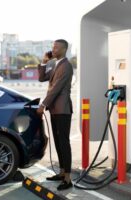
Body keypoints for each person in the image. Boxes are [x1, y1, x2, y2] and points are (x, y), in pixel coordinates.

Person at [37, 39, 73, 190]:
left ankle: (68, 179)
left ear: (64, 49)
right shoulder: (56, 65)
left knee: (64, 142)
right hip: (55, 109)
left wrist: (43, 104)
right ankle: (62, 172)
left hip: (63, 109)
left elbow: (56, 88)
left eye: (57, 47)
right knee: (58, 142)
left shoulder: (66, 66)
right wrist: (44, 62)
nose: (54, 49)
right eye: (53, 47)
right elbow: (41, 78)